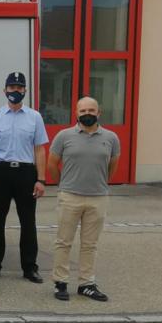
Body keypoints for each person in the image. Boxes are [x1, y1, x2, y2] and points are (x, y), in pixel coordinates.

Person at [47, 96, 119, 302]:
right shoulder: (64, 136)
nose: (87, 114)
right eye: (83, 110)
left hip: (98, 198)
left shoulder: (111, 138)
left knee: (90, 244)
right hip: (69, 196)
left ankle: (86, 283)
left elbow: (113, 164)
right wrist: (63, 184)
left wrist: (101, 183)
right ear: (76, 113)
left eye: (91, 110)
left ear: (99, 113)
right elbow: (52, 164)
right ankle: (60, 282)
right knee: (63, 242)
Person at [0, 71, 48, 284]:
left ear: (25, 91)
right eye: (12, 88)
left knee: (28, 222)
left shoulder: (34, 117)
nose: (16, 91)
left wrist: (41, 179)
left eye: (20, 88)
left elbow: (39, 149)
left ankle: (30, 267)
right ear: (5, 90)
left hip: (25, 173)